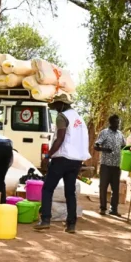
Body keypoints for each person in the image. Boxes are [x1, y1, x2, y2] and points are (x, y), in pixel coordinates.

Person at [35, 100, 90, 234]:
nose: (55, 109)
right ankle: (71, 225)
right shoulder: (80, 119)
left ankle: (45, 220)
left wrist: (47, 156)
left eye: (56, 106)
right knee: (70, 193)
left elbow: (60, 139)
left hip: (62, 158)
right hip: (76, 160)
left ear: (62, 105)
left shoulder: (63, 116)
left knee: (48, 188)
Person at [95, 114, 126, 216]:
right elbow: (96, 146)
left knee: (115, 188)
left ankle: (114, 209)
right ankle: (103, 208)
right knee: (103, 187)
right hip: (106, 165)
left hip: (116, 165)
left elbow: (124, 147)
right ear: (111, 123)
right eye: (116, 122)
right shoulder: (104, 133)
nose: (118, 124)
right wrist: (104, 149)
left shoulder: (120, 134)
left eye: (118, 122)